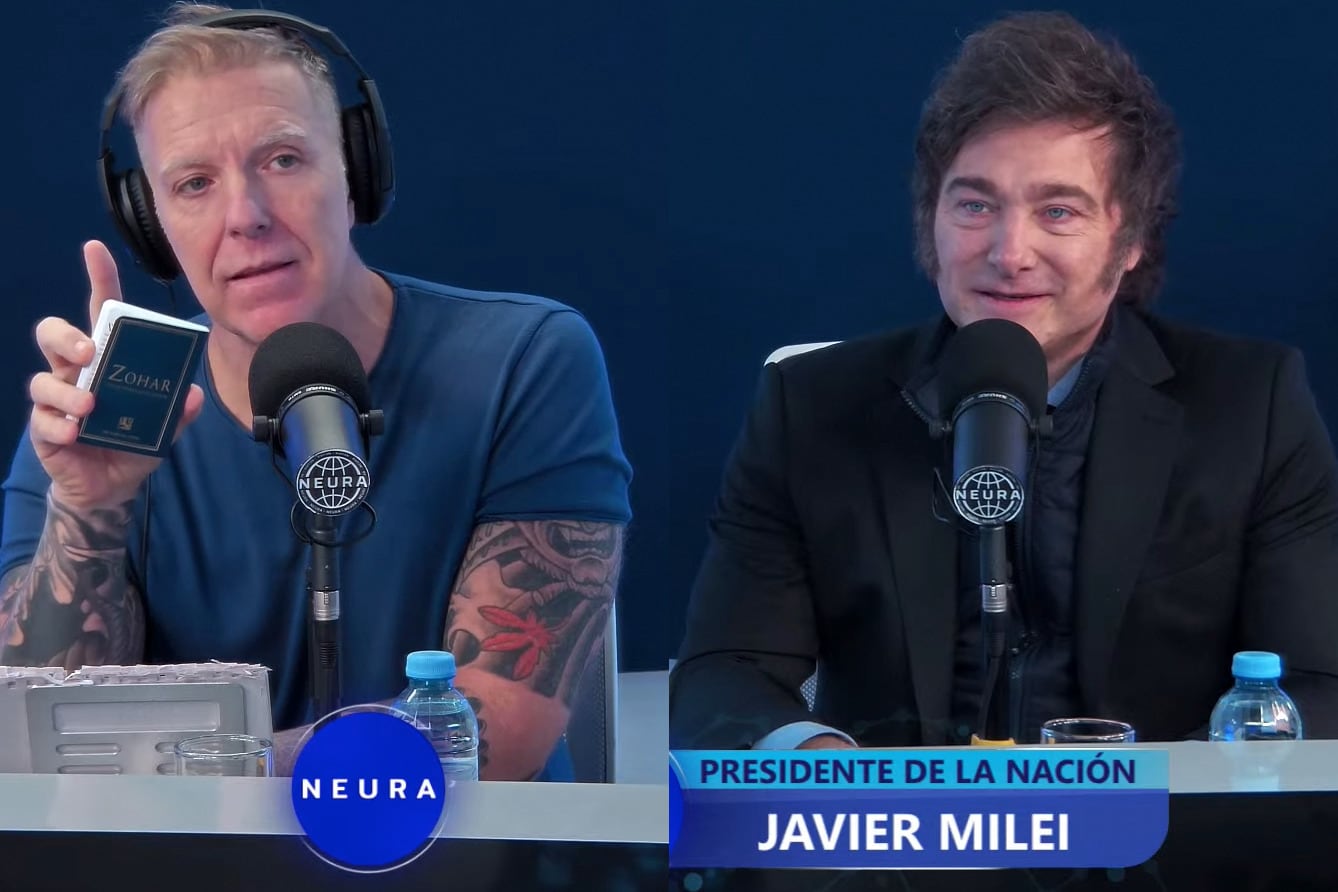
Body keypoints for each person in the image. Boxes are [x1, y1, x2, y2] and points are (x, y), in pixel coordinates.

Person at [670, 11, 1338, 750]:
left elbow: (1322, 683)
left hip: (1155, 818)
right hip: (891, 818)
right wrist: (822, 768)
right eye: (975, 205)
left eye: (1058, 211)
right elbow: (723, 675)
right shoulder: (810, 407)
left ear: (1130, 239)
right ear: (931, 222)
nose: (1009, 251)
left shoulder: (1251, 406)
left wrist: (1182, 785)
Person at [0, 4, 632, 781]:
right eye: (195, 183)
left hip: (461, 843)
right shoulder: (104, 409)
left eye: (283, 159)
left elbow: (494, 734)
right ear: (150, 224)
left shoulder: (524, 361)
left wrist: (195, 772)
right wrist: (89, 507)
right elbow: (37, 745)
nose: (246, 217)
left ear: (357, 173)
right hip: (182, 845)